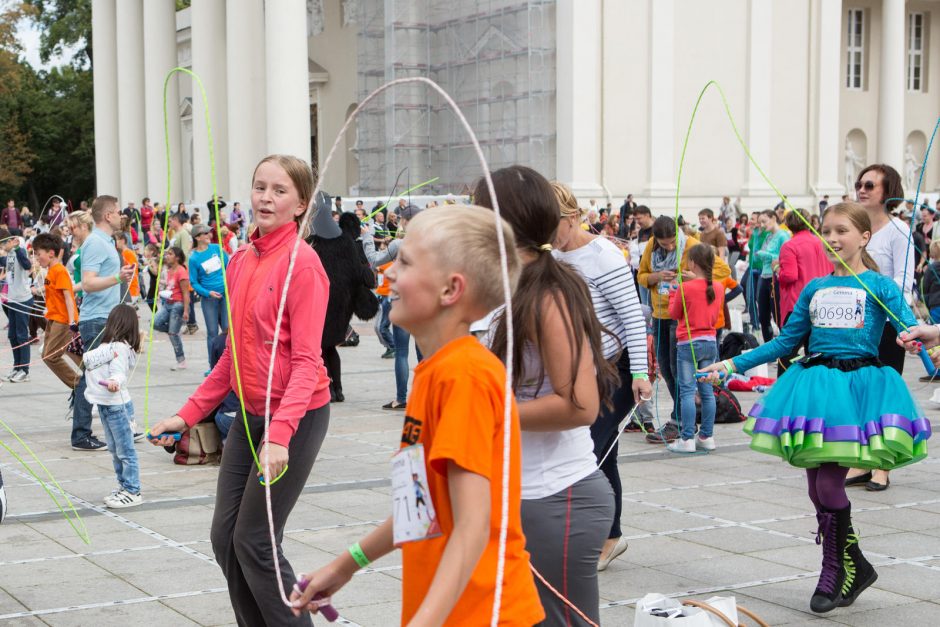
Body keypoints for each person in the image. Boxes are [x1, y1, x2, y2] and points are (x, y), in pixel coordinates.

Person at [290, 206, 544, 625]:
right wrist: (345, 565)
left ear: (450, 289)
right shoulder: (433, 371)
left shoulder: (465, 375)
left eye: (405, 262)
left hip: (485, 615)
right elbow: (420, 508)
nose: (388, 273)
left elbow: (472, 527)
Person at [701, 202, 931, 614]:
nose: (832, 238)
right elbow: (785, 343)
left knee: (828, 486)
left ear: (864, 237)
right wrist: (731, 363)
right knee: (814, 487)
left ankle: (833, 568)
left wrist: (913, 339)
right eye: (827, 231)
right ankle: (854, 564)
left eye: (842, 231)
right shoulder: (814, 289)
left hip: (855, 392)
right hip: (812, 389)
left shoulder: (880, 285)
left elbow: (907, 328)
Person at [149, 154, 331, 627]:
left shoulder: (304, 266)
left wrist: (281, 435)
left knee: (254, 540)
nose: (266, 198)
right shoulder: (241, 260)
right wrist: (186, 416)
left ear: (301, 204)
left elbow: (309, 364)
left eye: (280, 190)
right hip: (251, 418)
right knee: (223, 537)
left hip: (297, 416)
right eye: (259, 187)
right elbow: (231, 357)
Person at [476, 165, 617, 626]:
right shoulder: (512, 284)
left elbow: (580, 404)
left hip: (557, 496)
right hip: (523, 492)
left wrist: (491, 413)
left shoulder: (547, 295)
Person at [551, 181, 651, 571]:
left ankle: (597, 537)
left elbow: (631, 316)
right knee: (601, 455)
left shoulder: (603, 256)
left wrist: (640, 373)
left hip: (618, 368)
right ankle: (611, 535)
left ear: (573, 218)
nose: (546, 237)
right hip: (583, 370)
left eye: (551, 226)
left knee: (588, 452)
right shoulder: (555, 257)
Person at [845, 164, 914, 492]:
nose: (862, 189)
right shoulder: (856, 228)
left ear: (888, 193)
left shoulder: (899, 231)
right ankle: (861, 460)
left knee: (883, 394)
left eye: (870, 185)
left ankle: (882, 465)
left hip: (886, 324)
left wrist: (902, 322)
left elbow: (904, 281)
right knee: (858, 393)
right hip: (854, 324)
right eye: (860, 183)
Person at [637, 216, 731, 442]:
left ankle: (681, 423)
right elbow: (641, 276)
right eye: (663, 244)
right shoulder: (651, 246)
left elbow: (722, 270)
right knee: (666, 371)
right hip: (659, 313)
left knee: (681, 374)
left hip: (680, 319)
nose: (668, 247)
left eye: (671, 243)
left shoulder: (691, 245)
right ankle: (685, 423)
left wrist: (693, 279)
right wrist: (656, 276)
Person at [70, 196, 135, 451]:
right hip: (96, 318)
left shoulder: (105, 241)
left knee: (106, 374)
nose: (121, 216)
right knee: (92, 376)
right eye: (118, 212)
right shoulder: (96, 242)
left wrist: (120, 278)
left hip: (105, 316)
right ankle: (81, 434)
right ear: (108, 216)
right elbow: (88, 283)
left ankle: (119, 426)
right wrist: (117, 277)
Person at [362, 205, 425, 410]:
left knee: (401, 353)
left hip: (402, 300)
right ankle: (425, 396)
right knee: (422, 354)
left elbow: (373, 260)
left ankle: (401, 398)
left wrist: (367, 238)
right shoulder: (430, 243)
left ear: (406, 222)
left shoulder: (399, 243)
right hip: (423, 302)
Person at [82, 304, 143, 508]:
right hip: (105, 405)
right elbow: (89, 362)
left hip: (117, 406)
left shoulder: (119, 348)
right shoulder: (107, 346)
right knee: (115, 450)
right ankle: (124, 486)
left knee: (125, 450)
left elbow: (119, 370)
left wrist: (115, 381)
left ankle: (133, 490)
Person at [667, 244, 723, 453]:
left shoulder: (685, 288)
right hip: (710, 341)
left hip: (688, 343)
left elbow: (674, 314)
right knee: (707, 392)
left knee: (688, 392)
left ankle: (687, 438)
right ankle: (707, 436)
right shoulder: (717, 286)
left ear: (693, 263)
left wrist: (673, 294)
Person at [776, 209, 833, 372]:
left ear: (788, 225)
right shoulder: (822, 243)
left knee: (786, 353)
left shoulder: (789, 246)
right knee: (816, 354)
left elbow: (790, 276)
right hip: (823, 304)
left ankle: (784, 391)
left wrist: (777, 269)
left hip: (798, 306)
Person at [32, 234, 82, 390]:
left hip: (63, 320)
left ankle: (80, 385)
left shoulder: (59, 271)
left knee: (50, 356)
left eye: (39, 254)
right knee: (47, 354)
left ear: (51, 253)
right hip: (53, 318)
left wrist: (73, 321)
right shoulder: (50, 270)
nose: (37, 258)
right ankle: (90, 375)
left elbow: (68, 296)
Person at [188, 224, 229, 370]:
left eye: (208, 232)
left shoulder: (217, 249)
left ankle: (227, 363)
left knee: (227, 329)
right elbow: (193, 282)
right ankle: (213, 366)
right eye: (205, 233)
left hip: (225, 295)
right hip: (209, 299)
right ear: (197, 237)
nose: (208, 235)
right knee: (212, 332)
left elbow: (229, 265)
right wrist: (207, 293)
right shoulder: (194, 259)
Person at [2, 228, 33, 383]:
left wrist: (17, 248)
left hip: (22, 299)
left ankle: (25, 370)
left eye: (3, 245)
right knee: (12, 335)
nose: (1, 248)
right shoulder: (8, 255)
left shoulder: (19, 251)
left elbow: (27, 266)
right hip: (12, 299)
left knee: (22, 335)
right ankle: (17, 366)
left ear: (10, 241)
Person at [754, 209, 790, 343]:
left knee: (777, 315)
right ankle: (768, 347)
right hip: (764, 277)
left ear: (774, 218)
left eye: (764, 221)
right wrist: (757, 238)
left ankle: (784, 346)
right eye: (760, 223)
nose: (762, 225)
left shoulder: (783, 235)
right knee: (763, 316)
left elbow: (786, 257)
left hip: (775, 278)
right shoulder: (768, 236)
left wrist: (768, 255)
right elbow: (756, 256)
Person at [152, 246, 190, 370]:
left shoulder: (181, 271)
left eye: (170, 254)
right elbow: (171, 287)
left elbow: (185, 293)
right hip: (167, 302)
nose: (167, 256)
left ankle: (181, 361)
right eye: (167, 254)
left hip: (177, 304)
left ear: (177, 258)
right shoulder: (169, 271)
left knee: (173, 334)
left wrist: (185, 310)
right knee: (155, 323)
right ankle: (173, 330)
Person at [113, 232, 140, 305]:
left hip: (131, 290)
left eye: (116, 240)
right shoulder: (121, 253)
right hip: (126, 289)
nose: (114, 242)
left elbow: (132, 271)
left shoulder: (128, 253)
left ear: (122, 241)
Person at [921, 240, 940, 322]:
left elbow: (924, 288)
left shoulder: (931, 268)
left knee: (935, 333)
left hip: (935, 305)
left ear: (932, 254)